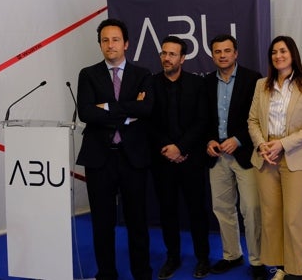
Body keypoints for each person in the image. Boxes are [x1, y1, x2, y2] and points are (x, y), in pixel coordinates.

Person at [76, 18, 154, 280]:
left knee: (137, 222)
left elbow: (147, 109)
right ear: (100, 44)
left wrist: (106, 107)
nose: (110, 45)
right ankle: (106, 274)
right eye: (105, 40)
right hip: (100, 158)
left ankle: (142, 273)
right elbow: (86, 113)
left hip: (133, 157)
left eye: (115, 39)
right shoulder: (88, 74)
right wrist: (129, 110)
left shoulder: (143, 74)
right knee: (102, 223)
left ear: (127, 43)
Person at [248, 35, 302, 280]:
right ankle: (280, 266)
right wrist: (262, 146)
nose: (278, 56)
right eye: (274, 52)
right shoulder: (262, 85)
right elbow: (252, 121)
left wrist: (282, 144)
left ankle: (298, 270)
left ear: (292, 55)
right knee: (271, 216)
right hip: (266, 158)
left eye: (283, 51)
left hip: (296, 158)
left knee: (293, 218)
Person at [204, 34, 266, 280]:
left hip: (245, 154)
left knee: (251, 209)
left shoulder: (254, 80)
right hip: (216, 155)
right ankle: (232, 254)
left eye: (227, 51)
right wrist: (208, 140)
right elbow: (202, 118)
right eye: (217, 51)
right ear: (212, 55)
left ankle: (258, 260)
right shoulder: (206, 83)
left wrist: (238, 139)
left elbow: (259, 118)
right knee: (222, 208)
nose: (222, 55)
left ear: (236, 53)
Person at [149, 36, 211, 279]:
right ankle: (172, 257)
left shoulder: (197, 84)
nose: (166, 58)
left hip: (191, 160)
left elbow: (202, 120)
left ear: (182, 58)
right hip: (162, 160)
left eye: (172, 54)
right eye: (164, 53)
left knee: (197, 211)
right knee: (167, 211)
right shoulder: (151, 83)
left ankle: (203, 259)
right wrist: (167, 147)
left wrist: (181, 148)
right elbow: (148, 121)